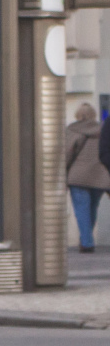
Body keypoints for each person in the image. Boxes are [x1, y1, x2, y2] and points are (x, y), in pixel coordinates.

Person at [68, 104, 110, 252]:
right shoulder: (103, 129)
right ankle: (86, 239)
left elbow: (67, 153)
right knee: (92, 209)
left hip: (78, 176)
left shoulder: (73, 130)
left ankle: (87, 242)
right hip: (100, 176)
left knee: (81, 210)